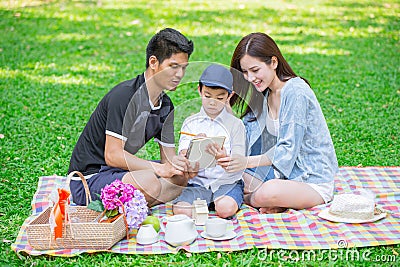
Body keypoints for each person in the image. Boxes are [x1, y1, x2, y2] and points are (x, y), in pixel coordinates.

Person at [68, 28, 196, 207]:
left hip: (120, 172)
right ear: (153, 62)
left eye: (183, 68)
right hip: (89, 179)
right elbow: (112, 155)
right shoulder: (124, 96)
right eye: (173, 66)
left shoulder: (166, 106)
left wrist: (182, 163)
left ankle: (133, 203)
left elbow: (168, 159)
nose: (180, 75)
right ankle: (137, 201)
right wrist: (159, 169)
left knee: (179, 177)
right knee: (149, 182)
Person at [217, 32, 338, 213]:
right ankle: (267, 200)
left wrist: (245, 163)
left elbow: (287, 150)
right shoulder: (264, 93)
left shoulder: (296, 92)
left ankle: (250, 199)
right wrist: (226, 110)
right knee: (221, 175)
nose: (250, 78)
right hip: (281, 177)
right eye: (244, 72)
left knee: (267, 192)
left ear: (274, 62)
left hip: (311, 180)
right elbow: (247, 135)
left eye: (255, 70)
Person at [172, 64, 246, 219]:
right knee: (181, 211)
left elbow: (239, 160)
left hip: (227, 182)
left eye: (220, 98)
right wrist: (194, 149)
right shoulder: (191, 123)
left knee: (225, 209)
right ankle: (205, 203)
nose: (213, 102)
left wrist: (224, 158)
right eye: (207, 95)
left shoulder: (235, 125)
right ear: (199, 91)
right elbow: (184, 157)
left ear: (229, 96)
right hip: (198, 183)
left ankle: (219, 202)